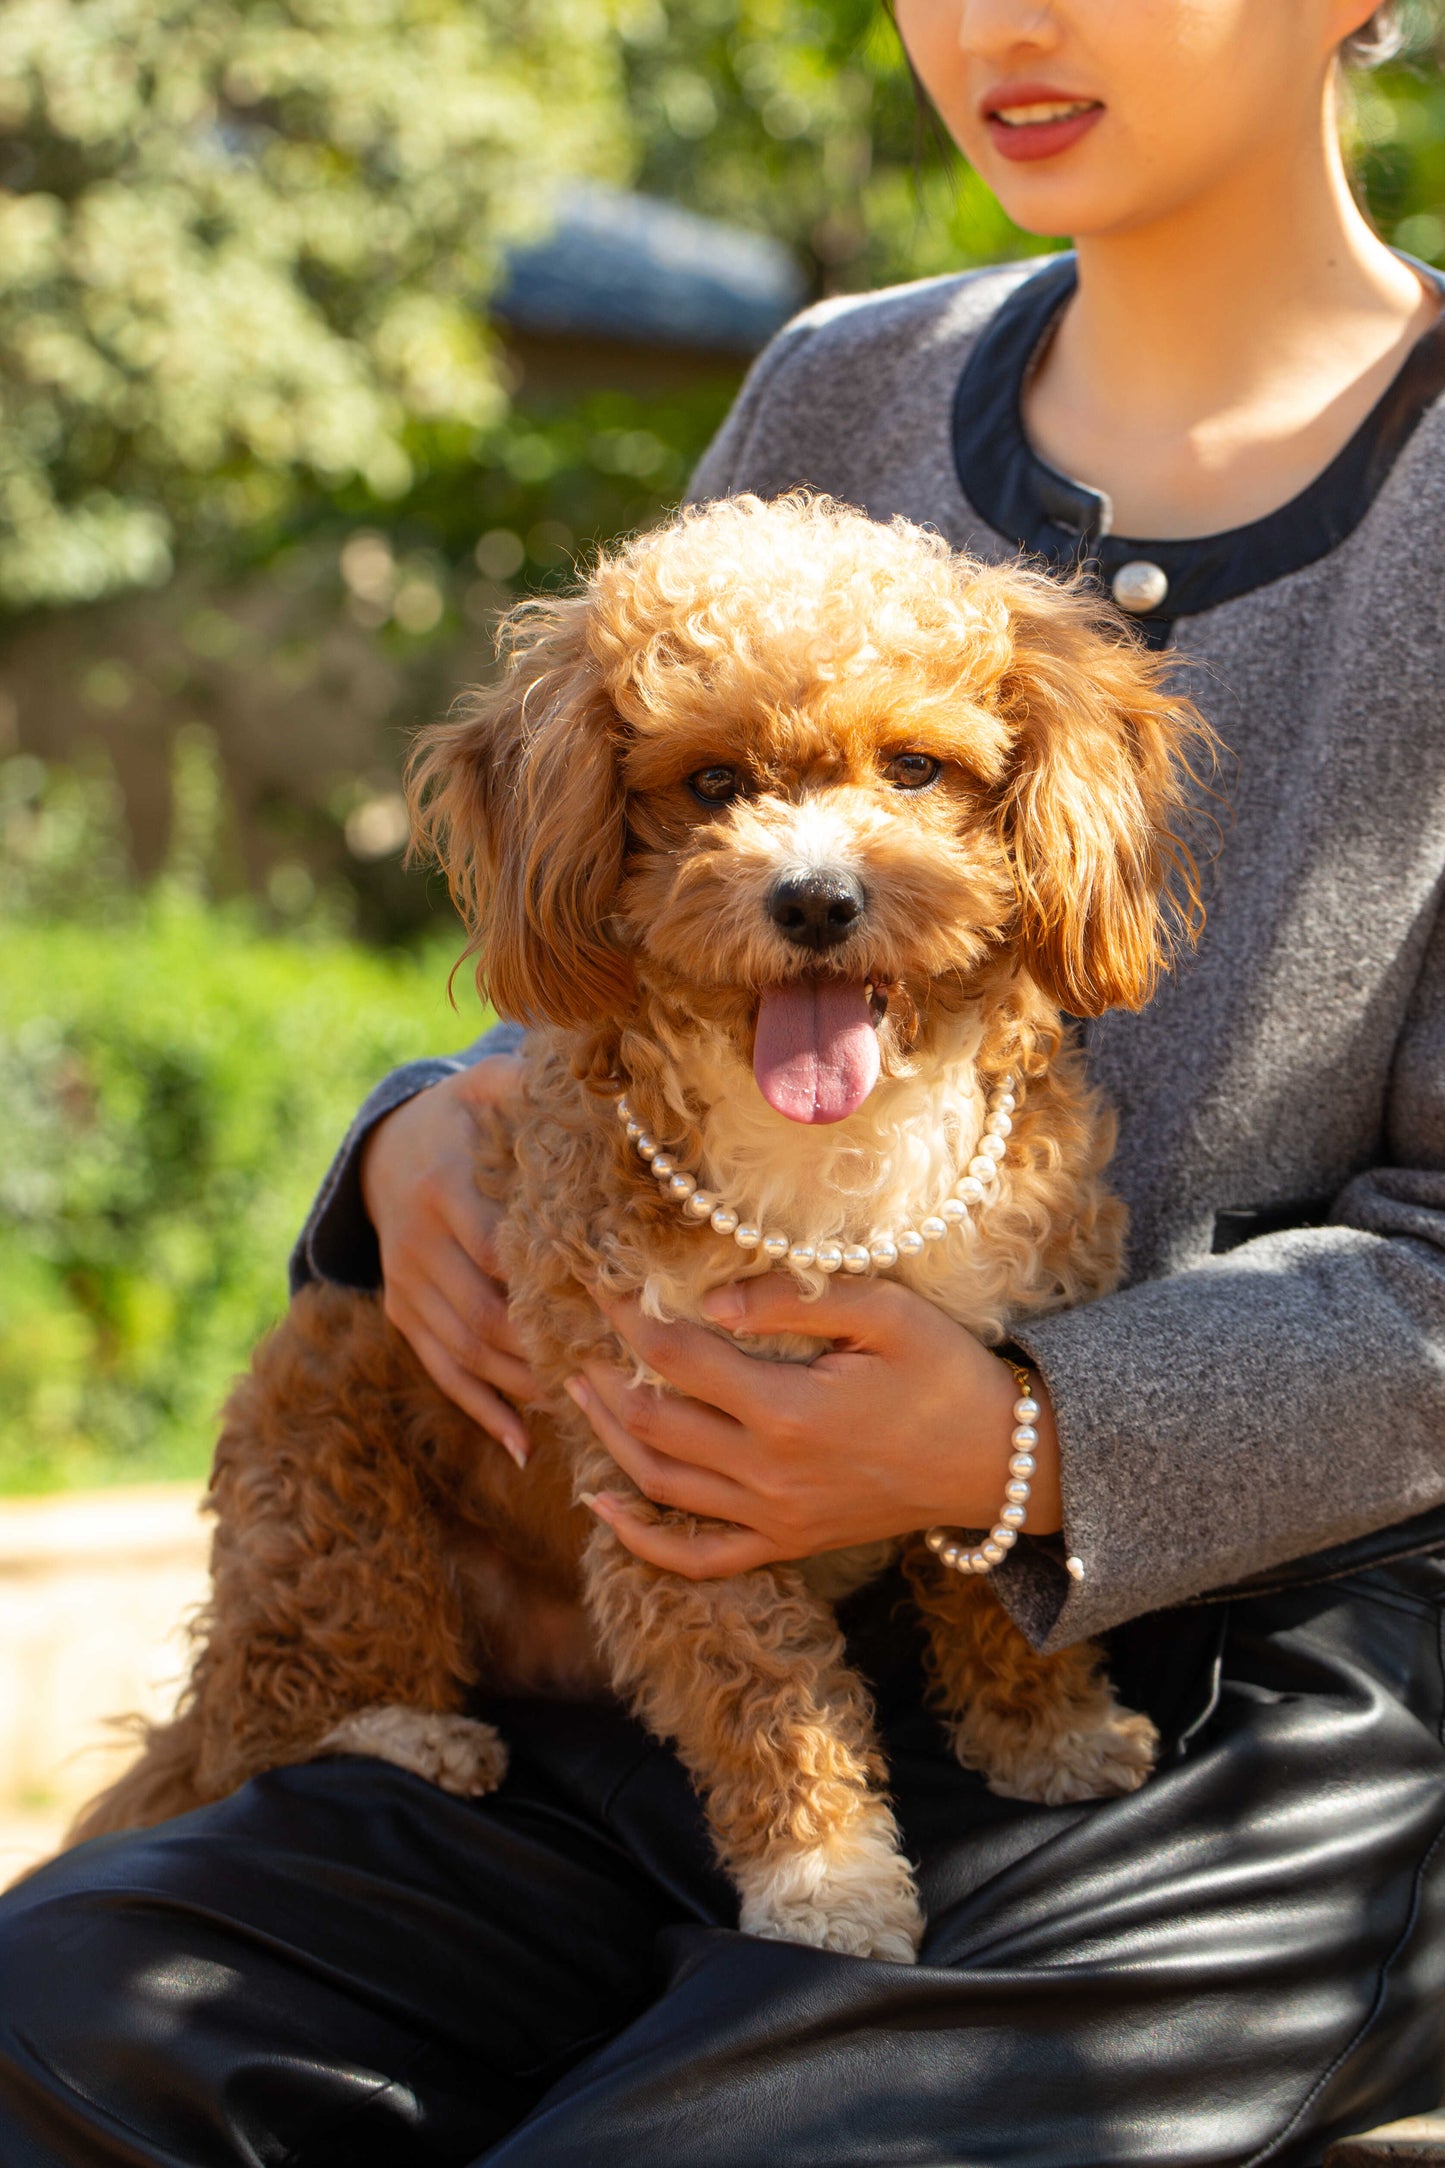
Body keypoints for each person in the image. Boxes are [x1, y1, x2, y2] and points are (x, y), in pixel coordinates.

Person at [4, 2, 1445, 2161]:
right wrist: (420, 1132)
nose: (1004, 24)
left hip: (1257, 1664)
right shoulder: (838, 374)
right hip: (671, 1620)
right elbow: (619, 927)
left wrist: (1022, 1437)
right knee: (75, 2015)